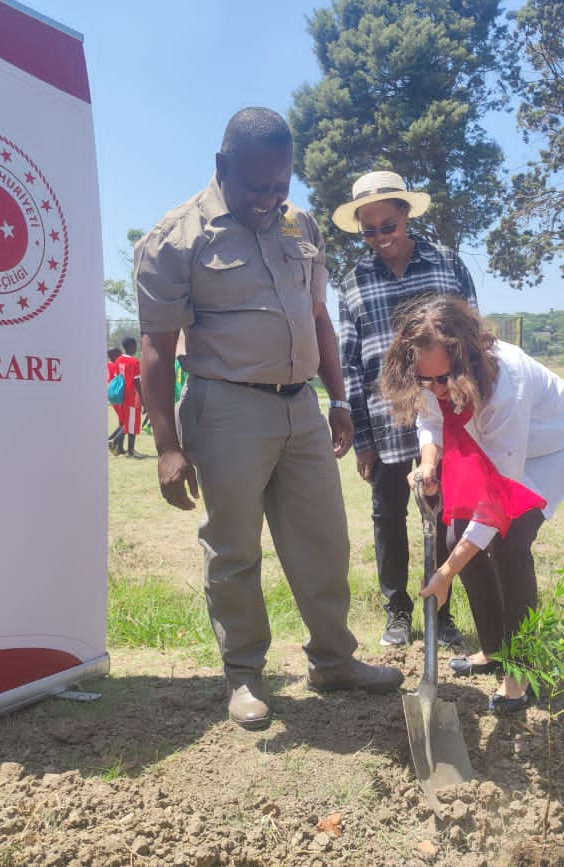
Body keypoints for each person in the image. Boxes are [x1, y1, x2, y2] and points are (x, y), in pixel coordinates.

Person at [134, 107, 402, 730]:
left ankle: (334, 659)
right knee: (233, 548)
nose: (271, 198)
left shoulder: (299, 222)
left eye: (281, 184)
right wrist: (167, 447)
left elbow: (318, 319)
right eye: (258, 185)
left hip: (301, 407)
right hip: (225, 406)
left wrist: (337, 400)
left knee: (325, 540)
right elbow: (154, 348)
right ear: (222, 166)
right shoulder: (175, 239)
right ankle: (245, 676)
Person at [380, 297, 564, 713]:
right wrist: (428, 462)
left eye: (444, 379)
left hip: (554, 448)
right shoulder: (431, 372)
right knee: (457, 532)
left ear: (468, 357)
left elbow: (499, 504)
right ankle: (493, 648)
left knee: (510, 542)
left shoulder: (506, 385)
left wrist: (445, 573)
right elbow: (432, 417)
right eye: (425, 381)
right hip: (493, 446)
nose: (436, 389)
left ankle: (521, 668)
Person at [333, 169, 478, 650]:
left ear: (406, 215)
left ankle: (441, 606)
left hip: (447, 413)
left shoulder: (448, 265)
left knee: (446, 515)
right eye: (369, 230)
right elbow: (351, 365)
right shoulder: (352, 283)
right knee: (388, 515)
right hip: (386, 419)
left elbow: (473, 342)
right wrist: (362, 438)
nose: (380, 238)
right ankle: (398, 610)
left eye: (388, 226)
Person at [110, 337, 141, 457]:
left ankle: (123, 449)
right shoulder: (134, 362)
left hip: (121, 396)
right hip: (132, 396)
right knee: (131, 423)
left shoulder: (118, 360)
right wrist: (142, 398)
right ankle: (127, 449)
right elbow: (137, 383)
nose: (136, 348)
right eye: (135, 345)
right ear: (131, 346)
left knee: (125, 422)